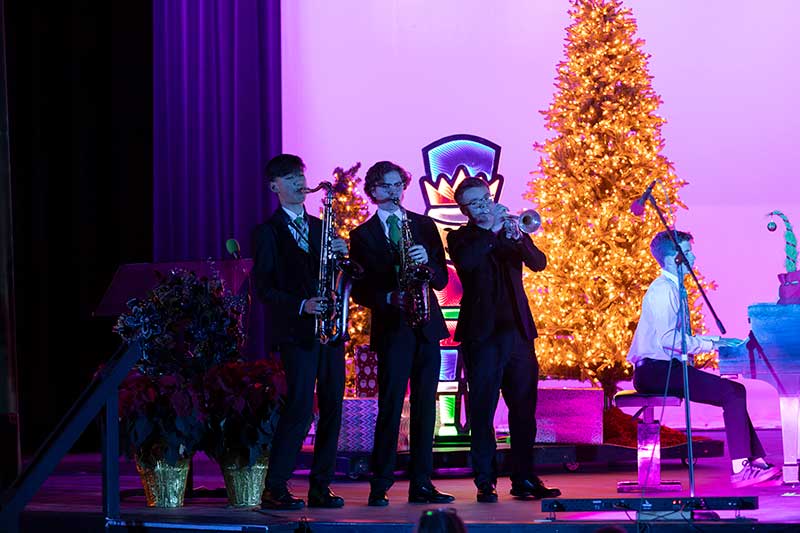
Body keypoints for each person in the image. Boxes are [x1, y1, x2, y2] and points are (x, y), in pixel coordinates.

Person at [627, 230, 780, 487]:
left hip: (663, 368)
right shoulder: (663, 291)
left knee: (735, 391)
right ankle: (742, 468)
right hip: (655, 372)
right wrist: (710, 344)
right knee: (731, 392)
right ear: (671, 259)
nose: (693, 258)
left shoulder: (673, 288)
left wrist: (715, 341)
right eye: (687, 253)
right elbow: (669, 340)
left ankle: (754, 461)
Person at [447, 178, 560, 503]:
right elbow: (467, 263)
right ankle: (485, 481)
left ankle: (524, 477)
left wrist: (519, 237)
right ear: (464, 210)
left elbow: (539, 263)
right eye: (475, 203)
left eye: (486, 198)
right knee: (482, 411)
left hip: (518, 333)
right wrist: (492, 230)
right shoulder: (460, 237)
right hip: (482, 336)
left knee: (524, 410)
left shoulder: (511, 231)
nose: (484, 206)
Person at [349, 161, 454, 506]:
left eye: (398, 185)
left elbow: (441, 279)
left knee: (426, 408)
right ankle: (380, 484)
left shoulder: (423, 225)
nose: (394, 192)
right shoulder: (362, 235)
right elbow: (360, 290)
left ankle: (421, 483)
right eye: (386, 186)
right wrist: (387, 297)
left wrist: (428, 264)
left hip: (426, 327)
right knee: (390, 406)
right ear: (373, 191)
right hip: (393, 329)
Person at [252, 154, 348, 509]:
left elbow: (338, 274)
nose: (298, 183)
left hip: (329, 329)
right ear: (273, 186)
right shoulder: (267, 232)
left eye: (300, 176)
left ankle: (321, 487)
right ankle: (275, 486)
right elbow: (264, 288)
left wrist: (342, 255)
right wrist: (301, 304)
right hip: (297, 331)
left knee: (333, 406)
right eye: (289, 177)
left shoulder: (321, 227)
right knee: (300, 408)